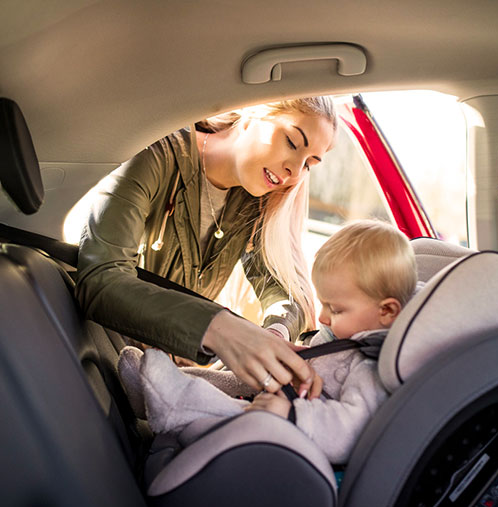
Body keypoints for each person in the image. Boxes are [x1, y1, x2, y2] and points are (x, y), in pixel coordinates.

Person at [76, 98, 337, 394]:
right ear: (253, 112)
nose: (295, 170)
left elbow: (281, 289)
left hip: (168, 376)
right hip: (106, 362)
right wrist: (218, 329)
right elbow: (100, 280)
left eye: (310, 164)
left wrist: (274, 333)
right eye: (291, 142)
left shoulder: (256, 198)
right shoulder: (156, 156)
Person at [119, 219, 418, 466]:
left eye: (336, 309)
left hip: (286, 434)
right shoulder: (349, 335)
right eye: (323, 304)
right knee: (234, 378)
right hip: (284, 394)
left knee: (230, 411)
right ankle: (156, 387)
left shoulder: (372, 367)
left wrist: (290, 414)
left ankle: (172, 399)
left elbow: (348, 433)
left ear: (387, 311)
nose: (323, 317)